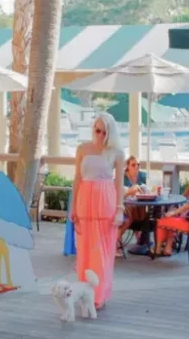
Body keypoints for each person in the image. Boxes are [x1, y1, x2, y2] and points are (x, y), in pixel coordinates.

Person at [70, 112, 124, 311]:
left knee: (102, 251)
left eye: (104, 131)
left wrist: (120, 209)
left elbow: (120, 183)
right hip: (85, 202)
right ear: (93, 129)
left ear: (110, 133)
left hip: (105, 204)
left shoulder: (116, 153)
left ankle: (99, 295)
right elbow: (77, 178)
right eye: (97, 130)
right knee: (84, 250)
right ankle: (83, 294)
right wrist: (73, 207)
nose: (100, 135)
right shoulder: (82, 149)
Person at [118, 156, 148, 246]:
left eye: (138, 164)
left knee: (148, 212)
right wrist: (129, 192)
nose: (136, 167)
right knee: (131, 212)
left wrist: (142, 191)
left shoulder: (143, 176)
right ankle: (117, 239)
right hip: (123, 205)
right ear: (127, 166)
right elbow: (116, 197)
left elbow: (149, 189)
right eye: (133, 165)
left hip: (137, 204)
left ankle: (142, 237)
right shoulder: (121, 178)